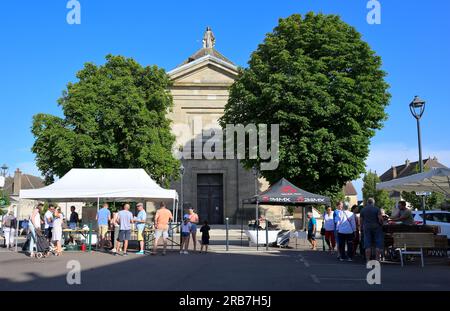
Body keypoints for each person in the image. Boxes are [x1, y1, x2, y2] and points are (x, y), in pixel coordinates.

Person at [360, 198, 384, 262]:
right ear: (373, 202)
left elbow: (361, 220)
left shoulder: (363, 210)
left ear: (367, 202)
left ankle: (368, 260)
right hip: (376, 227)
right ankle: (377, 259)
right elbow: (380, 219)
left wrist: (361, 228)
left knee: (367, 244)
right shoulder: (377, 209)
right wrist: (381, 223)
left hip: (366, 227)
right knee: (377, 243)